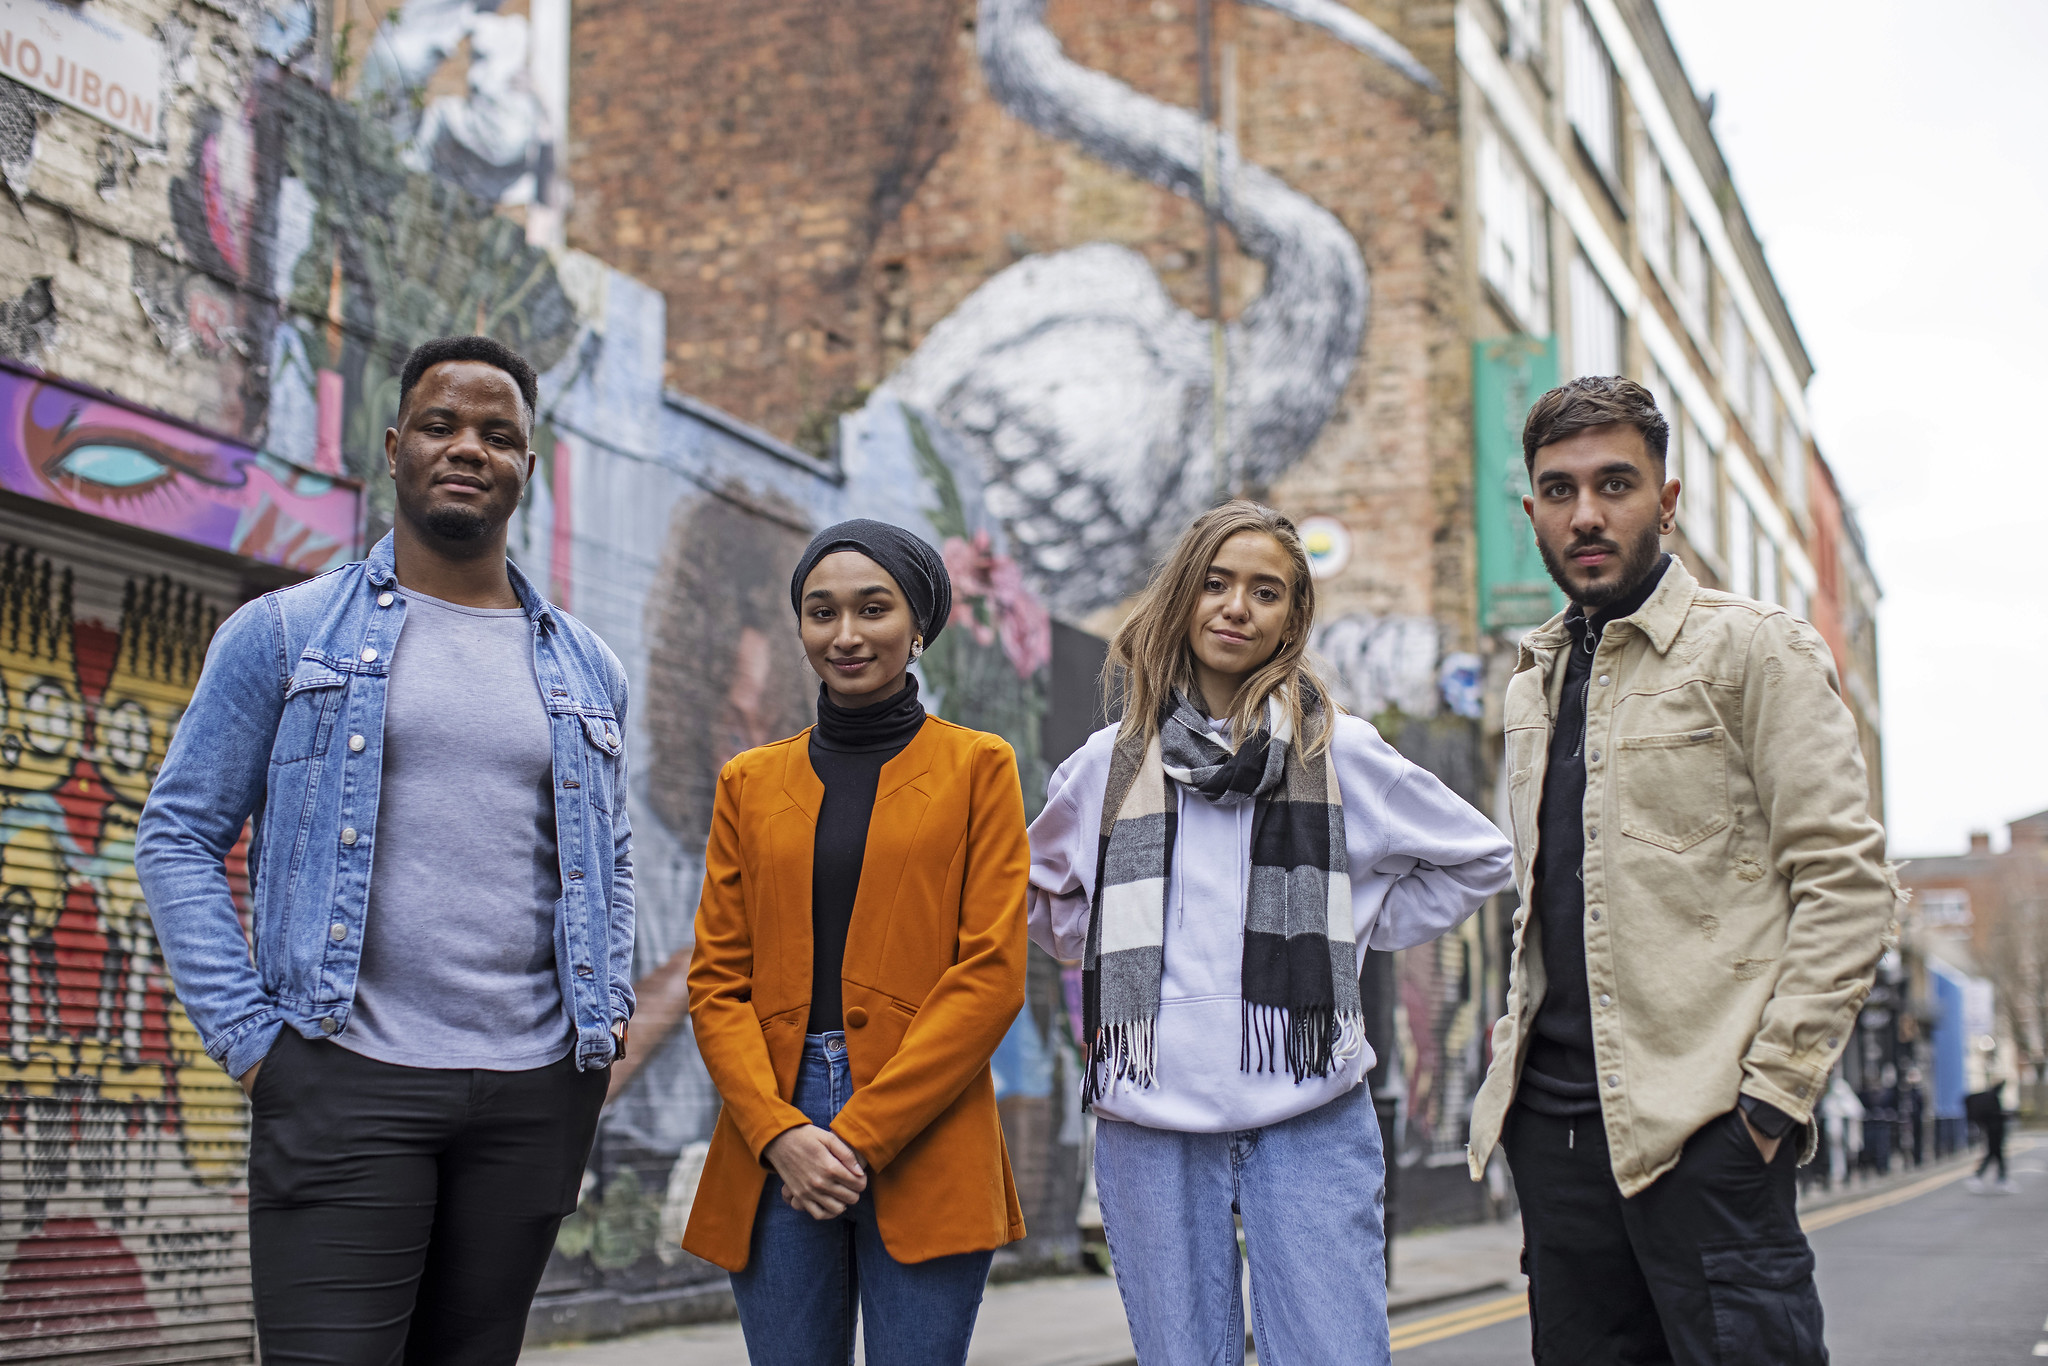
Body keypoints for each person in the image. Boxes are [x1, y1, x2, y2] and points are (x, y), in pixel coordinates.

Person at [135, 336, 634, 1363]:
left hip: (534, 1090)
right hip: (341, 1075)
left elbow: (609, 856)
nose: (469, 448)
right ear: (397, 447)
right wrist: (253, 1044)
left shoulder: (589, 666)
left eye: (498, 434)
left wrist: (606, 1016)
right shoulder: (286, 632)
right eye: (442, 425)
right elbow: (178, 833)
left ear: (526, 467)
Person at [1465, 376, 1899, 1366]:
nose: (1585, 513)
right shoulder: (1531, 683)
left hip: (1702, 1129)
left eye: (1613, 484)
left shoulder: (1754, 650)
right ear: (1531, 512)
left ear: (1665, 502)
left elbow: (1846, 883)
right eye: (1559, 489)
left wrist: (1770, 1103)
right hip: (1556, 1141)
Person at [1028, 501, 1513, 1364]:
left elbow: (1480, 857)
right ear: (1183, 596)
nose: (1236, 607)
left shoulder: (1341, 752)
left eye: (1265, 591)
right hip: (1151, 1121)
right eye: (1215, 584)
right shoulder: (1108, 763)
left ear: (1292, 619)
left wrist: (1353, 930)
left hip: (1310, 1113)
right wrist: (1098, 936)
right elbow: (1037, 894)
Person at [684, 519, 1029, 1364]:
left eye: (873, 609)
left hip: (928, 1118)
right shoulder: (748, 783)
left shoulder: (979, 767)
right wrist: (778, 1132)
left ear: (919, 627)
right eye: (821, 612)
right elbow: (717, 983)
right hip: (775, 1124)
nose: (845, 634)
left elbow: (991, 975)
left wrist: (861, 1133)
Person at [1965, 1079, 2011, 1193]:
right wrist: (2002, 1117)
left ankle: (2001, 1179)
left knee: (1995, 1155)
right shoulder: (1992, 1099)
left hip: (1993, 1133)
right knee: (1995, 1154)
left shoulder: (1990, 1098)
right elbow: (1994, 1116)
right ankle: (1998, 1180)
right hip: (1994, 1133)